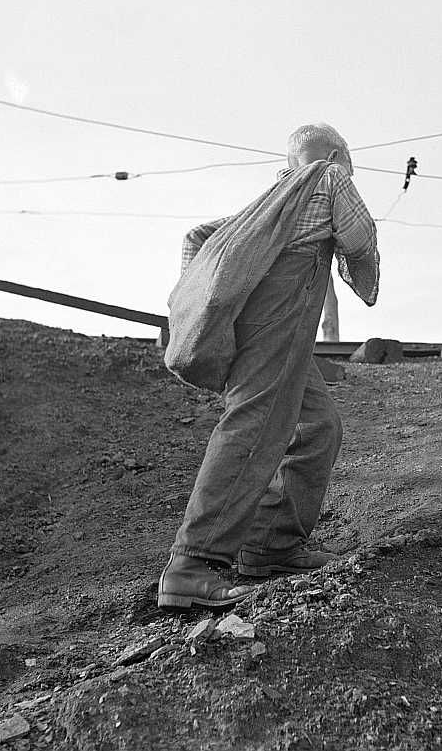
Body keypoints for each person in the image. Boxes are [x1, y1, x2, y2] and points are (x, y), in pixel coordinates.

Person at [157, 123, 379, 610]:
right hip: (282, 314)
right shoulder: (328, 175)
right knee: (256, 426)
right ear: (339, 152)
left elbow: (198, 237)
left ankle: (271, 546)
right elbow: (360, 238)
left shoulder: (271, 201)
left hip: (263, 321)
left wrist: (213, 309)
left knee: (319, 426)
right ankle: (193, 563)